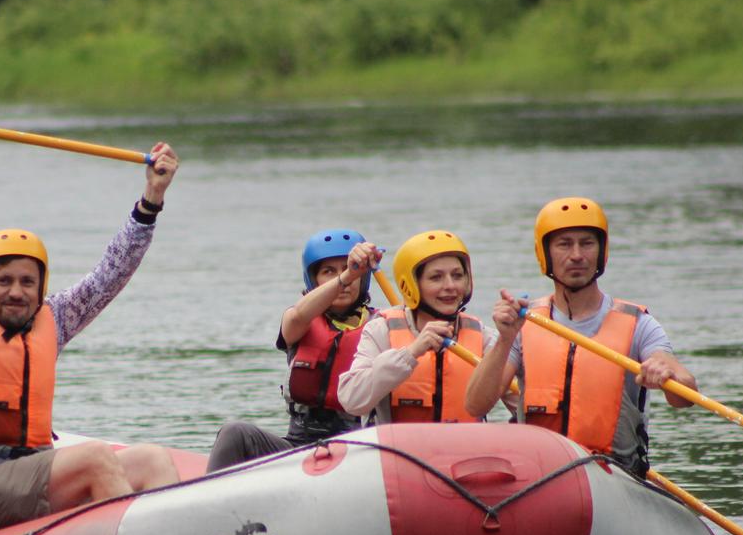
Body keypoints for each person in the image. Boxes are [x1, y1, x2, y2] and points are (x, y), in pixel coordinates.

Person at [0, 108, 181, 535]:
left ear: (41, 286)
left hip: (24, 480)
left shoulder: (55, 318)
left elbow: (111, 273)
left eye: (27, 282)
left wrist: (151, 201)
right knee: (93, 459)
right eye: (4, 281)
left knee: (152, 461)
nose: (16, 292)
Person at [464, 197, 697, 477]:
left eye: (587, 243)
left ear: (601, 251)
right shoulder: (524, 324)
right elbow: (476, 405)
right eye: (564, 244)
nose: (577, 255)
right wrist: (503, 339)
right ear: (545, 254)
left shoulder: (639, 324)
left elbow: (686, 394)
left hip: (614, 475)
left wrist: (666, 376)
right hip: (540, 473)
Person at [207, 231, 383, 472]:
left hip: (360, 447)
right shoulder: (299, 320)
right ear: (314, 280)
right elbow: (299, 315)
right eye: (328, 271)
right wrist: (348, 274)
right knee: (235, 433)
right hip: (299, 447)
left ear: (365, 278)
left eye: (347, 268)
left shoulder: (383, 325)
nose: (343, 277)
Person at [338, 229, 505, 423]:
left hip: (466, 450)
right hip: (398, 450)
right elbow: (351, 401)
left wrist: (508, 338)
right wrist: (411, 353)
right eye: (436, 277)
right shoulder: (381, 330)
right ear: (411, 285)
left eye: (458, 275)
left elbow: (519, 404)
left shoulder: (485, 337)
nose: (450, 285)